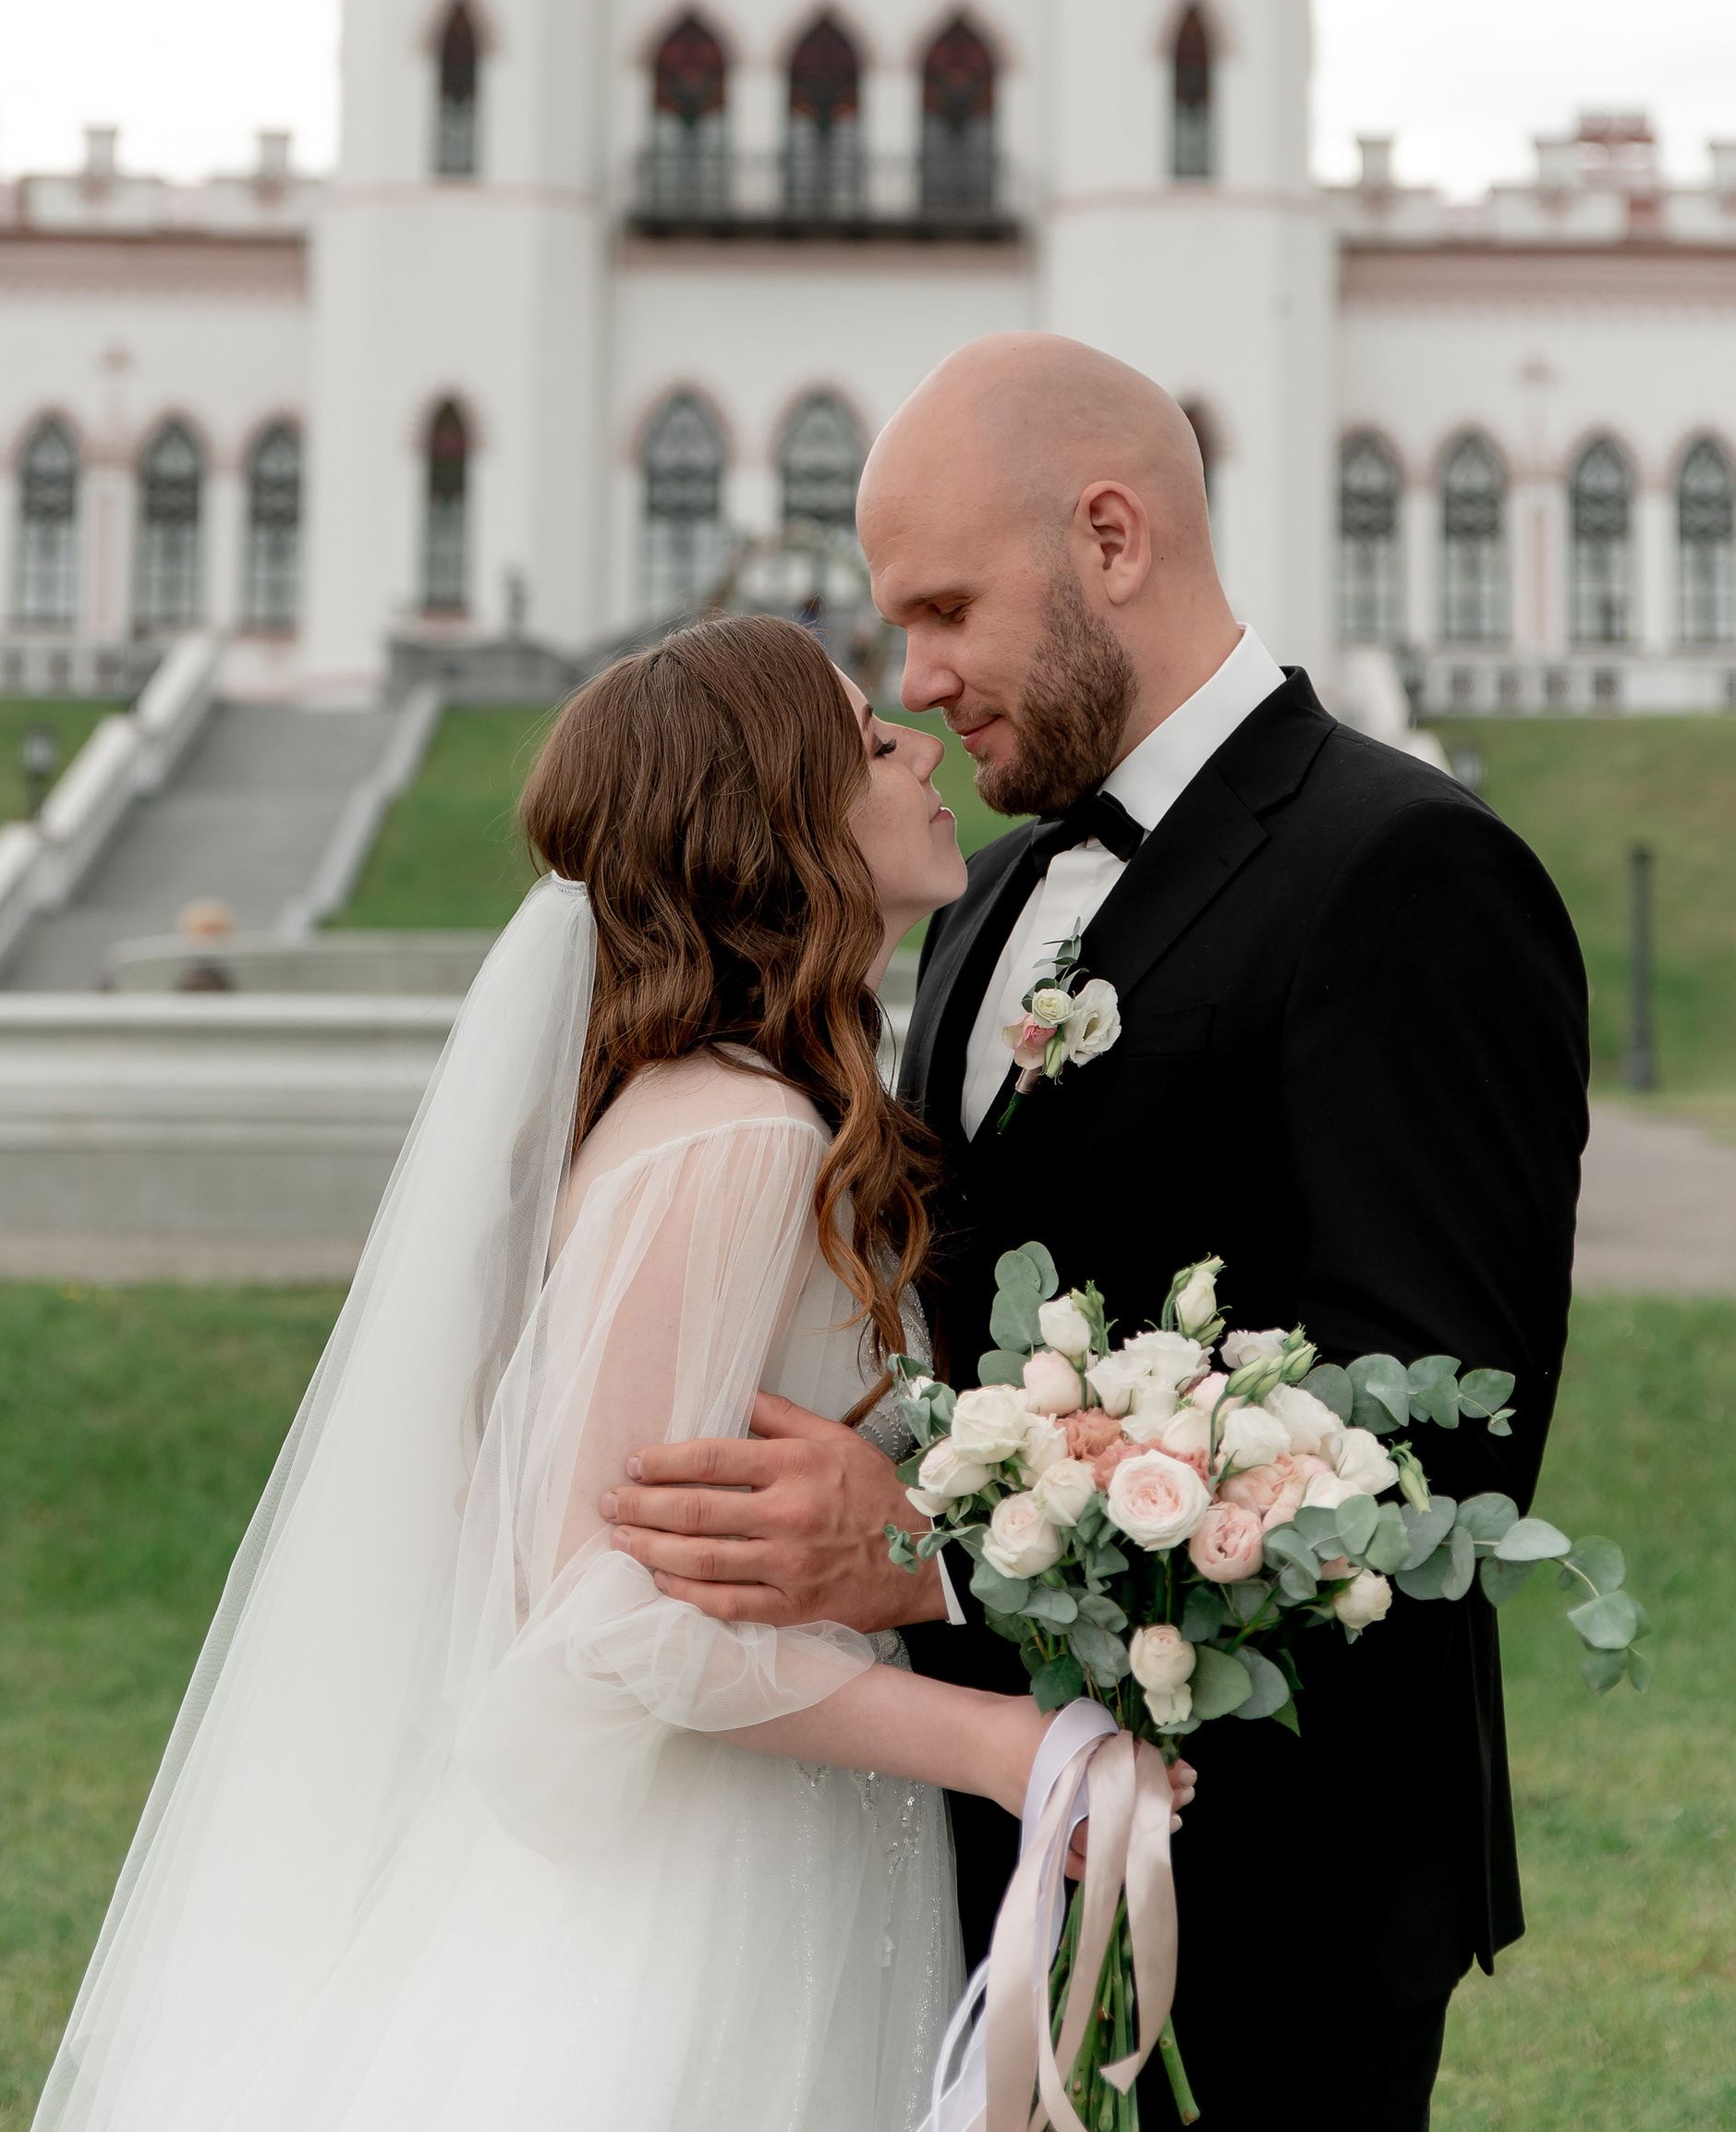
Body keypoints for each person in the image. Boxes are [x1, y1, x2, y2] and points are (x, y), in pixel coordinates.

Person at [600, 335, 1591, 2130]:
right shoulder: (974, 902)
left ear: (1111, 538)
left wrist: (931, 1550)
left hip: (1277, 1865)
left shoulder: (1407, 869)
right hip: (970, 1840)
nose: (913, 680)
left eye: (944, 608)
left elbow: (1434, 1439)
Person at [32, 613, 1121, 2132]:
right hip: (705, 1880)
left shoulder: (736, 1108)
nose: (923, 748)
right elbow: (609, 1625)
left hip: (789, 1820)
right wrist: (1001, 1743)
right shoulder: (740, 1139)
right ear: (777, 822)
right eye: (872, 743)